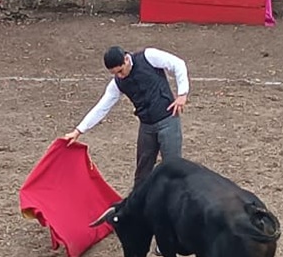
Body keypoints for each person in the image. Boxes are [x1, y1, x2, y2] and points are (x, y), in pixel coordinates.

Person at [62, 46, 189, 192]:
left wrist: (182, 94)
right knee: (142, 172)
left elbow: (178, 64)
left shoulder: (149, 56)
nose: (120, 76)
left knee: (172, 168)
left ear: (127, 59)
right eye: (115, 74)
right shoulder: (117, 83)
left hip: (168, 121)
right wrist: (78, 131)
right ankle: (137, 208)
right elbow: (102, 107)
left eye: (120, 71)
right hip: (147, 126)